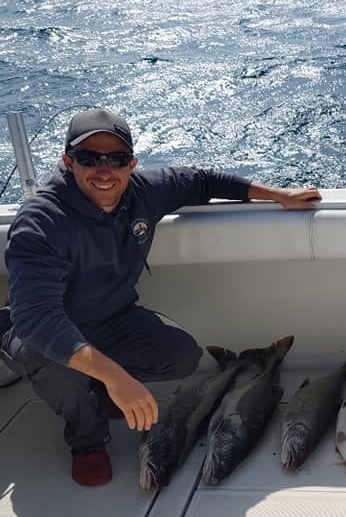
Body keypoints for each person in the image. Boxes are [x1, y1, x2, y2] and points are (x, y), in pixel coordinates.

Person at [0, 107, 321, 487]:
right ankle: (87, 440)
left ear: (132, 163)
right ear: (68, 162)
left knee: (181, 355)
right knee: (61, 371)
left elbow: (200, 181)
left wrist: (276, 195)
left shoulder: (143, 192)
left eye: (117, 159)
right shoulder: (41, 221)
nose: (105, 171)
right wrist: (116, 376)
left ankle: (101, 390)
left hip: (111, 319)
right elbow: (38, 319)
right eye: (89, 158)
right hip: (39, 335)